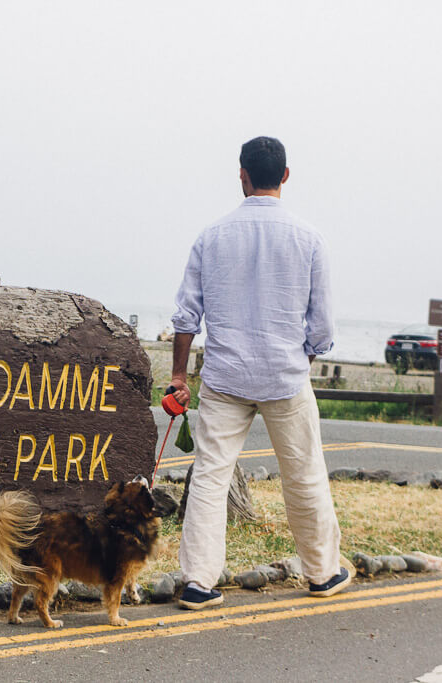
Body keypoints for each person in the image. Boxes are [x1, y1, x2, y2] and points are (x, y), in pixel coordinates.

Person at [169, 136, 350, 609]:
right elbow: (323, 323)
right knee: (305, 475)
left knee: (210, 476)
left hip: (226, 378)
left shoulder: (211, 237)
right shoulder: (310, 239)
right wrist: (304, 354)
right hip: (285, 377)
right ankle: (322, 572)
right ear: (286, 176)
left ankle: (198, 582)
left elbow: (187, 317)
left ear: (242, 176)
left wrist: (180, 378)